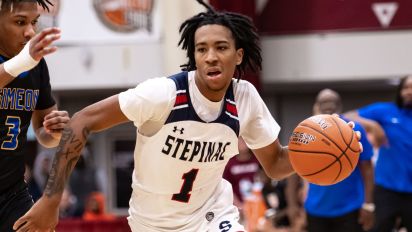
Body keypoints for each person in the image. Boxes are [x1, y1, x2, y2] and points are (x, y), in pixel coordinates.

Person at [14, 1, 359, 231]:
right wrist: (51, 199)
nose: (210, 57)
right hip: (151, 223)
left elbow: (276, 164)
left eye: (221, 48)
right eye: (201, 49)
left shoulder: (245, 98)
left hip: (212, 215)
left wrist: (328, 151)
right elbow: (81, 122)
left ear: (238, 56)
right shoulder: (161, 94)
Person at [0, 0, 69, 231]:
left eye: (34, 22)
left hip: (13, 194)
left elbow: (43, 134)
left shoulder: (36, 66)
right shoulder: (27, 61)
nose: (30, 32)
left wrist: (55, 131)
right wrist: (23, 62)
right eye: (20, 22)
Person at [344, 76, 412, 232]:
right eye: (406, 87)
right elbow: (348, 116)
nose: (409, 92)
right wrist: (372, 124)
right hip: (387, 188)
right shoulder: (386, 111)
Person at [302, 89, 375, 232]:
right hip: (316, 208)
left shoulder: (353, 129)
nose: (328, 105)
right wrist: (295, 205)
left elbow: (367, 168)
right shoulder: (309, 130)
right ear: (317, 106)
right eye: (324, 102)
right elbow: (297, 166)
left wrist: (368, 204)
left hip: (349, 207)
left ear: (340, 105)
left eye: (332, 101)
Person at [223, 136, 260, 219]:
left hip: (258, 204)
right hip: (238, 207)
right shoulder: (229, 163)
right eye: (240, 139)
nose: (243, 142)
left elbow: (265, 181)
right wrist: (239, 205)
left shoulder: (258, 159)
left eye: (245, 138)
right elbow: (227, 186)